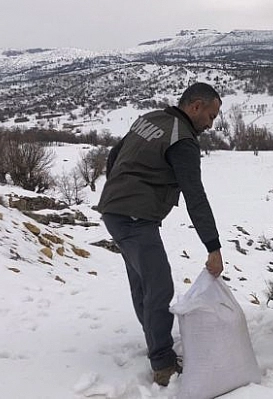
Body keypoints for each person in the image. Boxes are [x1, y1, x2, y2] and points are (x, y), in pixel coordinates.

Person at [97, 82, 224, 386]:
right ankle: (163, 364)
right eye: (211, 115)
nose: (211, 123)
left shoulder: (151, 118)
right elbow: (196, 196)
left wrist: (118, 190)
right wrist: (213, 246)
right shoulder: (183, 141)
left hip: (115, 210)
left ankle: (155, 343)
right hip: (134, 217)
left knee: (143, 282)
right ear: (195, 106)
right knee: (159, 286)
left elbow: (114, 156)